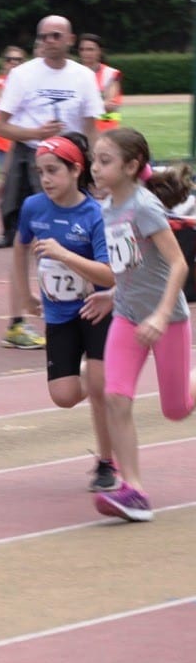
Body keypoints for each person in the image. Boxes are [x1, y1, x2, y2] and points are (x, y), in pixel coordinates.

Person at [81, 129, 196, 523]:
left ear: (131, 166)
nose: (95, 168)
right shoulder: (107, 206)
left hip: (168, 319)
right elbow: (129, 265)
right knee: (116, 397)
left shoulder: (145, 207)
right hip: (127, 316)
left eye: (105, 161)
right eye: (94, 159)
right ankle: (133, 491)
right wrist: (112, 295)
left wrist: (162, 315)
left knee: (177, 409)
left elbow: (179, 265)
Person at [9, 133, 116, 491]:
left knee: (100, 391)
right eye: (41, 172)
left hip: (96, 309)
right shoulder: (33, 208)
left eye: (53, 170)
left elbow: (107, 273)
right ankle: (92, 372)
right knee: (64, 396)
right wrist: (25, 294)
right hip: (58, 314)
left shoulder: (95, 215)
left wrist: (64, 254)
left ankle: (106, 463)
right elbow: (20, 247)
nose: (46, 179)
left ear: (75, 170)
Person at [0, 15, 103, 251]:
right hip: (34, 156)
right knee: (37, 221)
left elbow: (91, 128)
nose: (49, 41)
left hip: (73, 157)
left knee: (76, 214)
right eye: (43, 36)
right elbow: (1, 127)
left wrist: (97, 166)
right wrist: (37, 133)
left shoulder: (84, 76)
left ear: (70, 39)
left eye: (56, 35)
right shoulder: (22, 75)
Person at [0, 46, 26, 248]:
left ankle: (22, 228)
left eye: (19, 60)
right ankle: (7, 231)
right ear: (4, 63)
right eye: (10, 60)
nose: (14, 63)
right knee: (7, 184)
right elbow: (7, 107)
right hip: (5, 142)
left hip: (22, 140)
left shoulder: (23, 84)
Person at [78, 34, 122, 133]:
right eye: (82, 49)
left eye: (90, 49)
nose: (85, 53)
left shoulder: (111, 74)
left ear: (100, 51)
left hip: (106, 126)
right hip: (80, 127)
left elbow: (110, 105)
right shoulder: (72, 73)